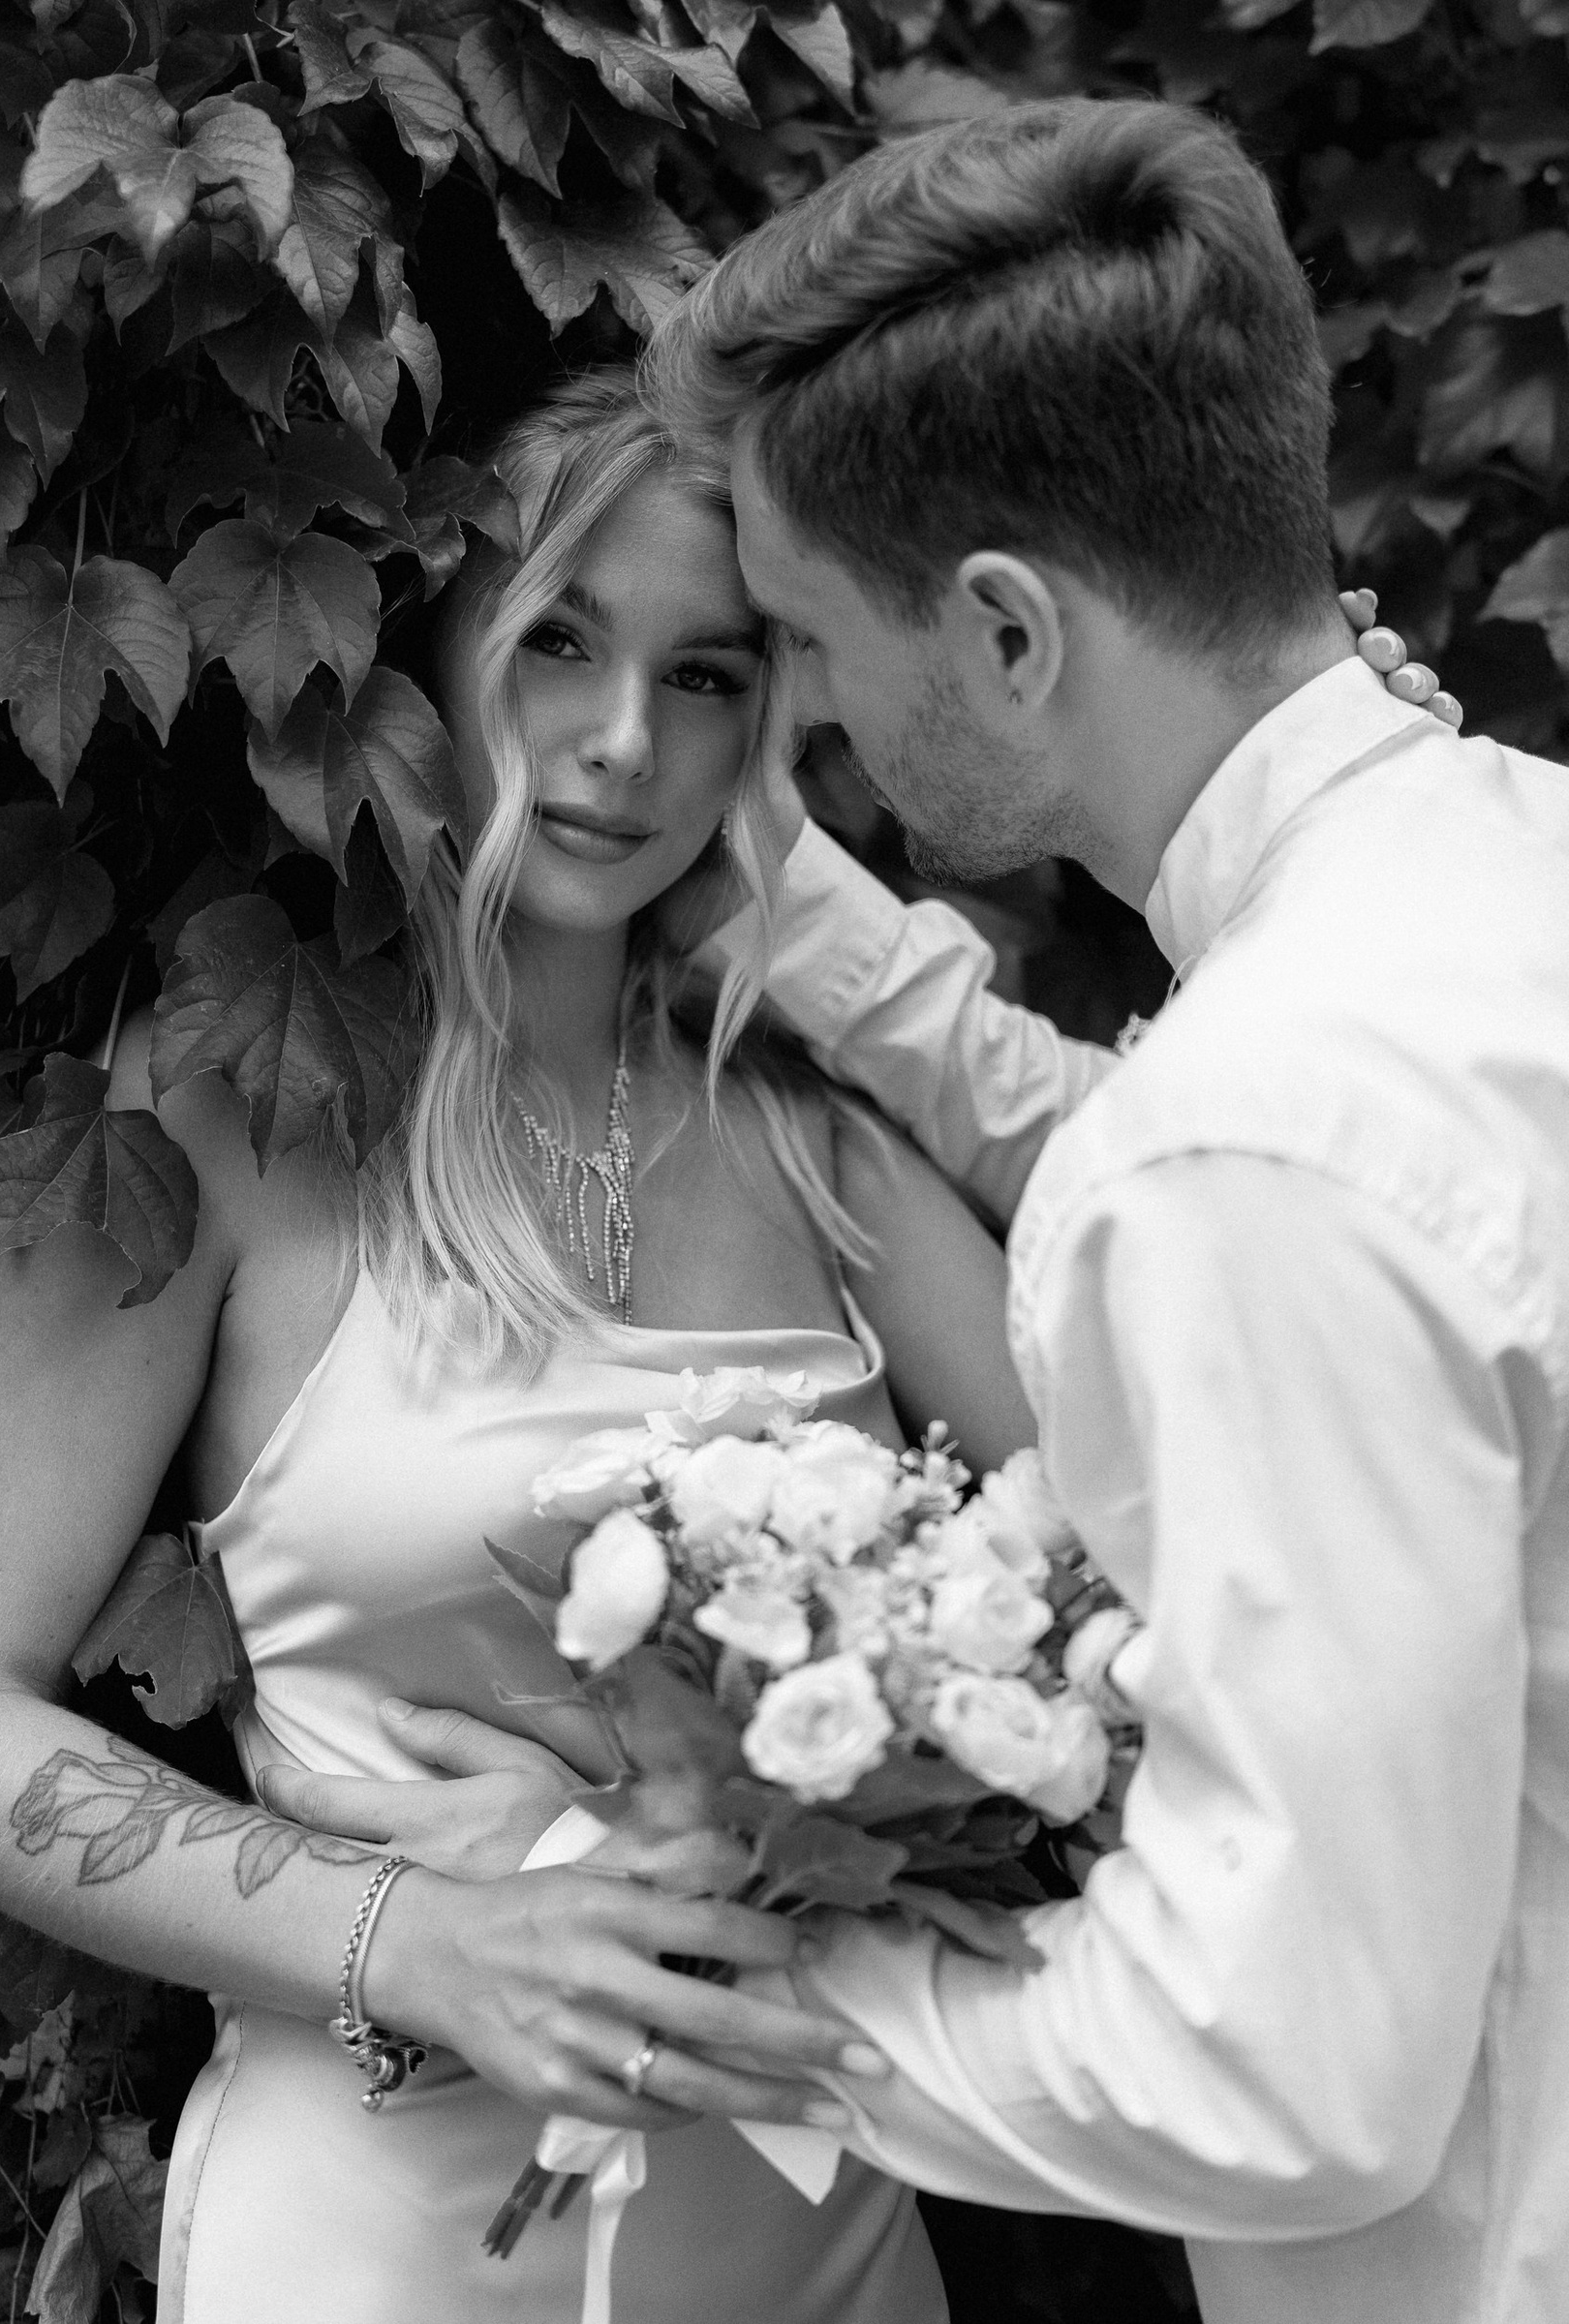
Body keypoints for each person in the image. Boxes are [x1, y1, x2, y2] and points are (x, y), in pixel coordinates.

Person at [0, 370, 1056, 2324]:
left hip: (826, 2241)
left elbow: (1135, 1604)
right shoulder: (224, 1109)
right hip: (384, 2244)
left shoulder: (815, 1133)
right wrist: (416, 1935)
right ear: (426, 649)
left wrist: (691, 1834)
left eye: (705, 676)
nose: (621, 742)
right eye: (556, 640)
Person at [618, 89, 1569, 2324]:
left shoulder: (1251, 1146)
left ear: (1010, 633)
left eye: (810, 641)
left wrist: (741, 1989)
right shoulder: (1510, 864)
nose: (805, 727)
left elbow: (1281, 2075)